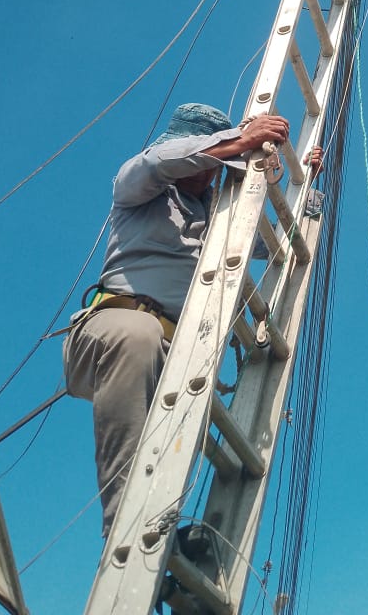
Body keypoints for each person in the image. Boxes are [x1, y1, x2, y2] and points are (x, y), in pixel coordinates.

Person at [63, 102, 320, 537]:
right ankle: (123, 526)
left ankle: (163, 535)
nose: (205, 173)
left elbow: (279, 239)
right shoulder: (140, 188)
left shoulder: (223, 218)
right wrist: (239, 141)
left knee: (176, 437)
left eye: (214, 165)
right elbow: (161, 161)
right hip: (114, 330)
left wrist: (304, 180)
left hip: (176, 353)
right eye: (204, 158)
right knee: (139, 335)